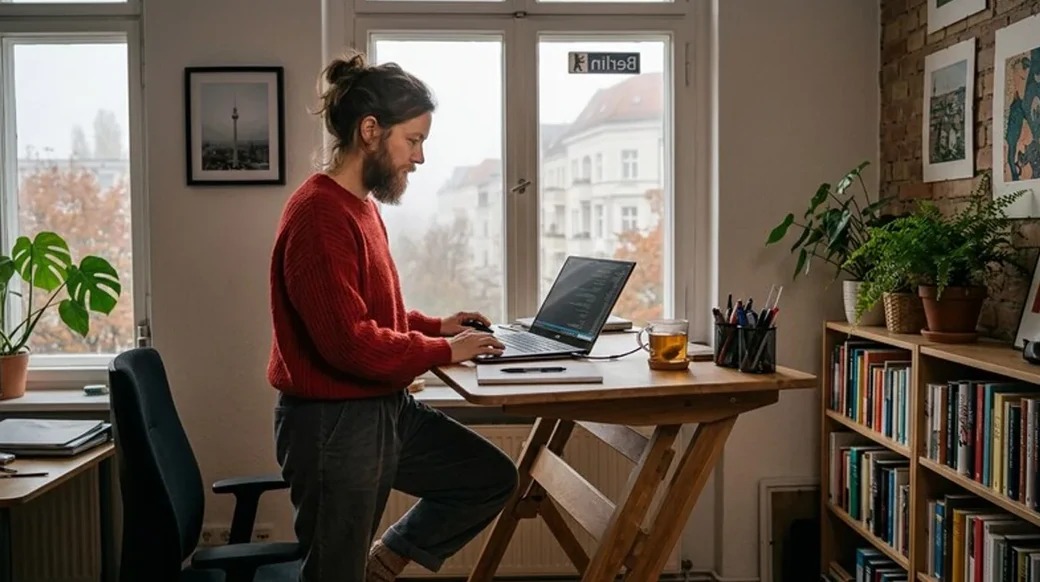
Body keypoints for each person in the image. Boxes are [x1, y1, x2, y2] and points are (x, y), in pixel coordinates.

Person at [267, 49, 518, 582]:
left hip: (382, 409)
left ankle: (387, 559)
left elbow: (368, 311)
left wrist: (437, 326)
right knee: (334, 573)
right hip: (334, 424)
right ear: (371, 131)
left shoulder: (360, 206)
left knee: (488, 477)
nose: (420, 158)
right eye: (415, 140)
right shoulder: (319, 215)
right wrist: (443, 352)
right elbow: (350, 343)